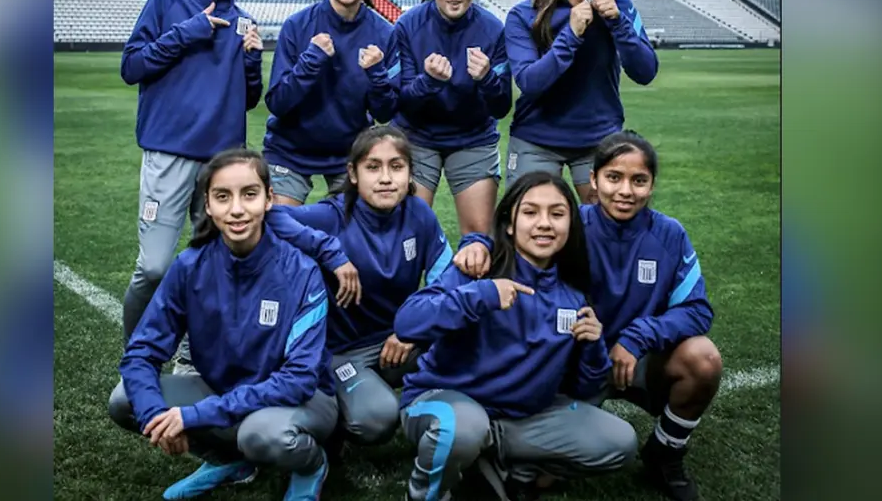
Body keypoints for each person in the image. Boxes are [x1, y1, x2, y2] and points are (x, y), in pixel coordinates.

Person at [454, 131, 722, 501]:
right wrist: (477, 243)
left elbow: (697, 309)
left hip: (634, 359)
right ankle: (514, 451)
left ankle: (666, 453)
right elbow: (511, 238)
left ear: (651, 185)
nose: (626, 190)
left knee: (703, 359)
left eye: (639, 180)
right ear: (593, 180)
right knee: (539, 481)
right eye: (614, 177)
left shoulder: (670, 235)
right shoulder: (569, 225)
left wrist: (636, 337)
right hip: (571, 365)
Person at [107, 148, 338, 500]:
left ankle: (311, 464)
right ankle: (227, 460)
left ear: (268, 200)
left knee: (260, 435)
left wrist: (195, 415)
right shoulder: (190, 266)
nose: (236, 209)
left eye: (249, 194)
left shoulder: (302, 272)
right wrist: (156, 415)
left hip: (302, 399)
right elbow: (141, 352)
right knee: (126, 400)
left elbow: (299, 380)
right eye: (222, 196)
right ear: (208, 205)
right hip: (224, 392)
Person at [395, 171, 637, 501]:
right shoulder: (479, 268)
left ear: (570, 225)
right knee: (463, 427)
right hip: (444, 403)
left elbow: (585, 389)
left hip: (515, 423)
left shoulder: (573, 298)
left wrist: (594, 345)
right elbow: (408, 322)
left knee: (620, 442)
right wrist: (482, 295)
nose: (544, 223)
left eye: (557, 213)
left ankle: (497, 462)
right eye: (530, 212)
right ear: (509, 223)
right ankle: (426, 493)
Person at [118, 0, 265, 344]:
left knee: (213, 268)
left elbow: (247, 99)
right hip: (169, 154)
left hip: (222, 165)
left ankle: (194, 354)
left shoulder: (245, 22)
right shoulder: (167, 2)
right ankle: (138, 357)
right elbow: (132, 67)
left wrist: (252, 61)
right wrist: (189, 32)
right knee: (154, 267)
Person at [269, 126, 454, 452]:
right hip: (340, 352)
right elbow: (268, 215)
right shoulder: (331, 216)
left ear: (410, 172)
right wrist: (331, 252)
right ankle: (331, 419)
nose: (386, 178)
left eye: (396, 167)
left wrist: (413, 331)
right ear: (353, 173)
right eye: (373, 167)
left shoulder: (419, 214)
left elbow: (447, 282)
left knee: (464, 337)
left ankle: (458, 430)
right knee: (377, 419)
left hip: (398, 341)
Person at [503, 0, 658, 205]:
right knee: (530, 234)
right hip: (536, 139)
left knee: (605, 236)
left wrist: (619, 24)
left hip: (599, 140)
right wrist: (571, 34)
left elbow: (646, 71)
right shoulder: (523, 15)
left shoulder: (617, 3)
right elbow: (529, 82)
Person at [264, 0, 399, 207]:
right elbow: (278, 103)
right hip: (289, 150)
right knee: (280, 233)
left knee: (354, 238)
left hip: (349, 154)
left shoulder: (384, 33)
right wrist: (312, 60)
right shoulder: (297, 25)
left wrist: (377, 74)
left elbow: (385, 112)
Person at [392, 0, 511, 235]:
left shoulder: (493, 29)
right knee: (407, 233)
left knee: (479, 235)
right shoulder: (408, 25)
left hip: (473, 138)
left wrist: (486, 78)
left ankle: (475, 281)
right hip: (416, 136)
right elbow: (400, 102)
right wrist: (428, 81)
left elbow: (502, 106)